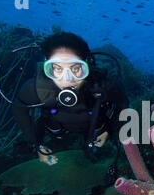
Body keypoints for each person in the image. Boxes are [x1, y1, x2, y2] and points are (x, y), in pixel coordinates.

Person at [12, 32, 128, 182]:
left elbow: (123, 103)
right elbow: (19, 107)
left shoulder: (101, 86)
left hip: (94, 128)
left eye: (75, 68)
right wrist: (37, 144)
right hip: (56, 130)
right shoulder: (37, 88)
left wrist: (109, 130)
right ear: (47, 68)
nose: (67, 79)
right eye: (57, 69)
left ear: (87, 66)